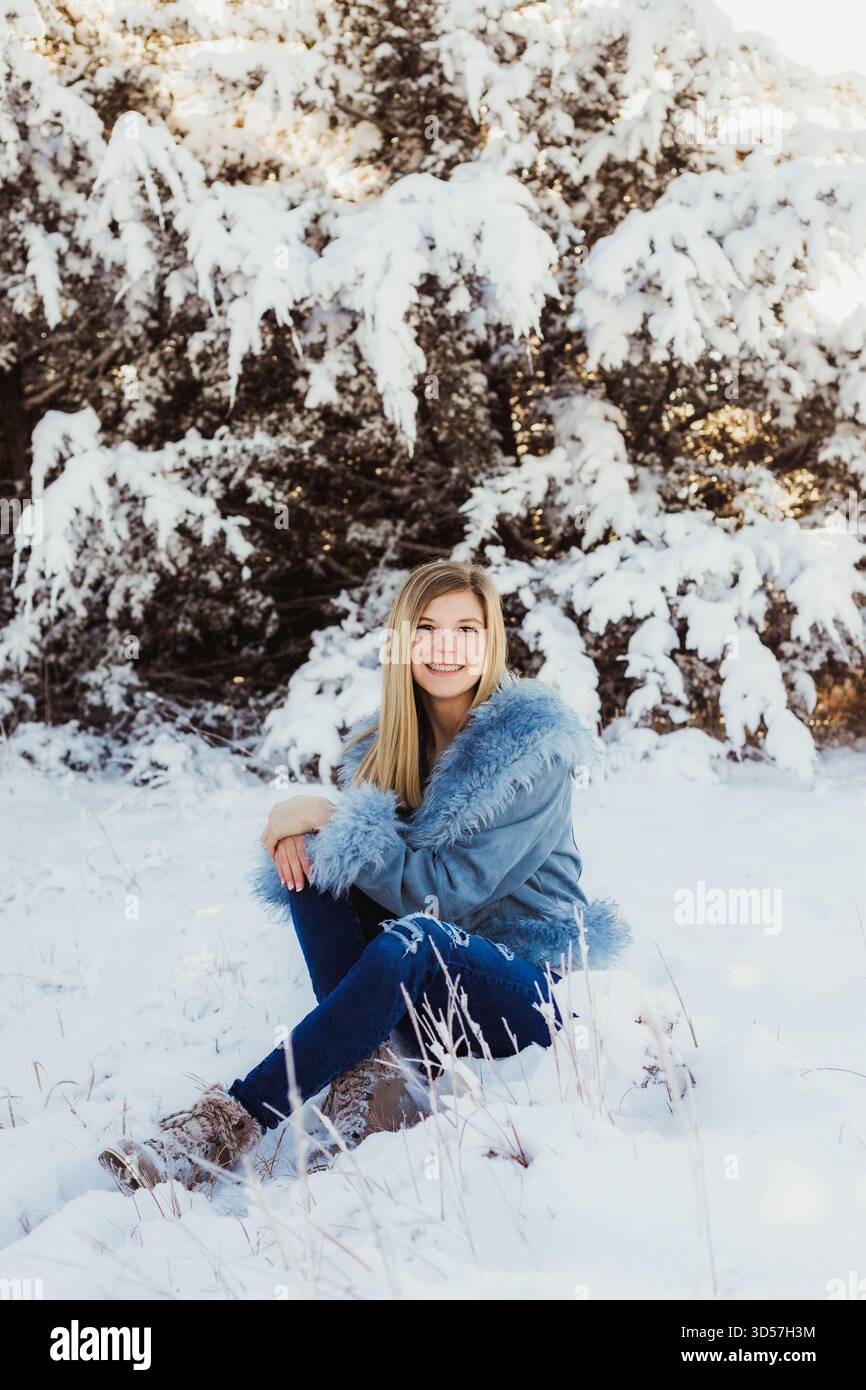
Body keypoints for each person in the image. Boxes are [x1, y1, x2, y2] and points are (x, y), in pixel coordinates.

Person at [97, 560, 631, 1193]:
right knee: (312, 869)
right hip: (429, 980)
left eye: (466, 629)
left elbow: (444, 895)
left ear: (492, 642)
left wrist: (326, 814)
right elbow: (368, 871)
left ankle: (227, 1124)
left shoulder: (531, 750)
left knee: (413, 932)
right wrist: (305, 832)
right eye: (427, 627)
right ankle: (377, 1070)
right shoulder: (383, 748)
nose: (445, 647)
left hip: (531, 990)